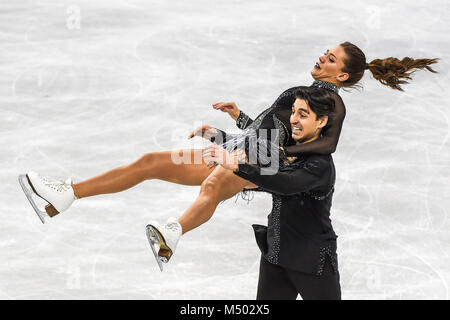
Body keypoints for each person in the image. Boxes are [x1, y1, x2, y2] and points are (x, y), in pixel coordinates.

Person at [19, 42, 438, 266]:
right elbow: (266, 127)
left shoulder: (331, 104)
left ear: (341, 74)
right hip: (242, 148)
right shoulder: (307, 93)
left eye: (329, 58)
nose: (320, 57)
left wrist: (270, 158)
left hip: (258, 161)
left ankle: (171, 233)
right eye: (324, 53)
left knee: (216, 184)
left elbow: (326, 144)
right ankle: (65, 195)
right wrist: (234, 124)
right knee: (151, 163)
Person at [203, 87, 340, 300]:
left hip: (311, 260)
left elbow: (286, 183)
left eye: (303, 115)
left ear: (321, 121)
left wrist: (237, 166)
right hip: (276, 253)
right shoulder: (288, 147)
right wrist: (218, 136)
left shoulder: (319, 164)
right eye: (293, 111)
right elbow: (260, 146)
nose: (293, 119)